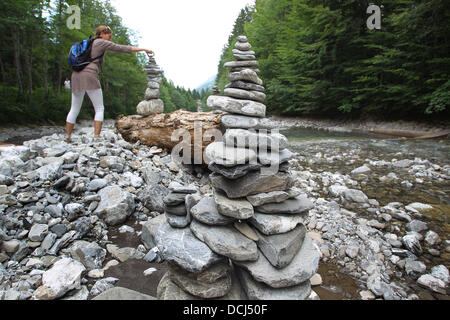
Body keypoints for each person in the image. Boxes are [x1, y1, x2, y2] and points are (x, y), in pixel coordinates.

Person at [65, 25, 153, 142]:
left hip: (76, 75)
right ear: (101, 34)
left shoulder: (89, 43)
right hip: (90, 75)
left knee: (74, 108)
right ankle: (96, 137)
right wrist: (143, 49)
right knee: (99, 108)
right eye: (109, 36)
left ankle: (67, 137)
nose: (110, 39)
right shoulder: (100, 42)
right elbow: (121, 48)